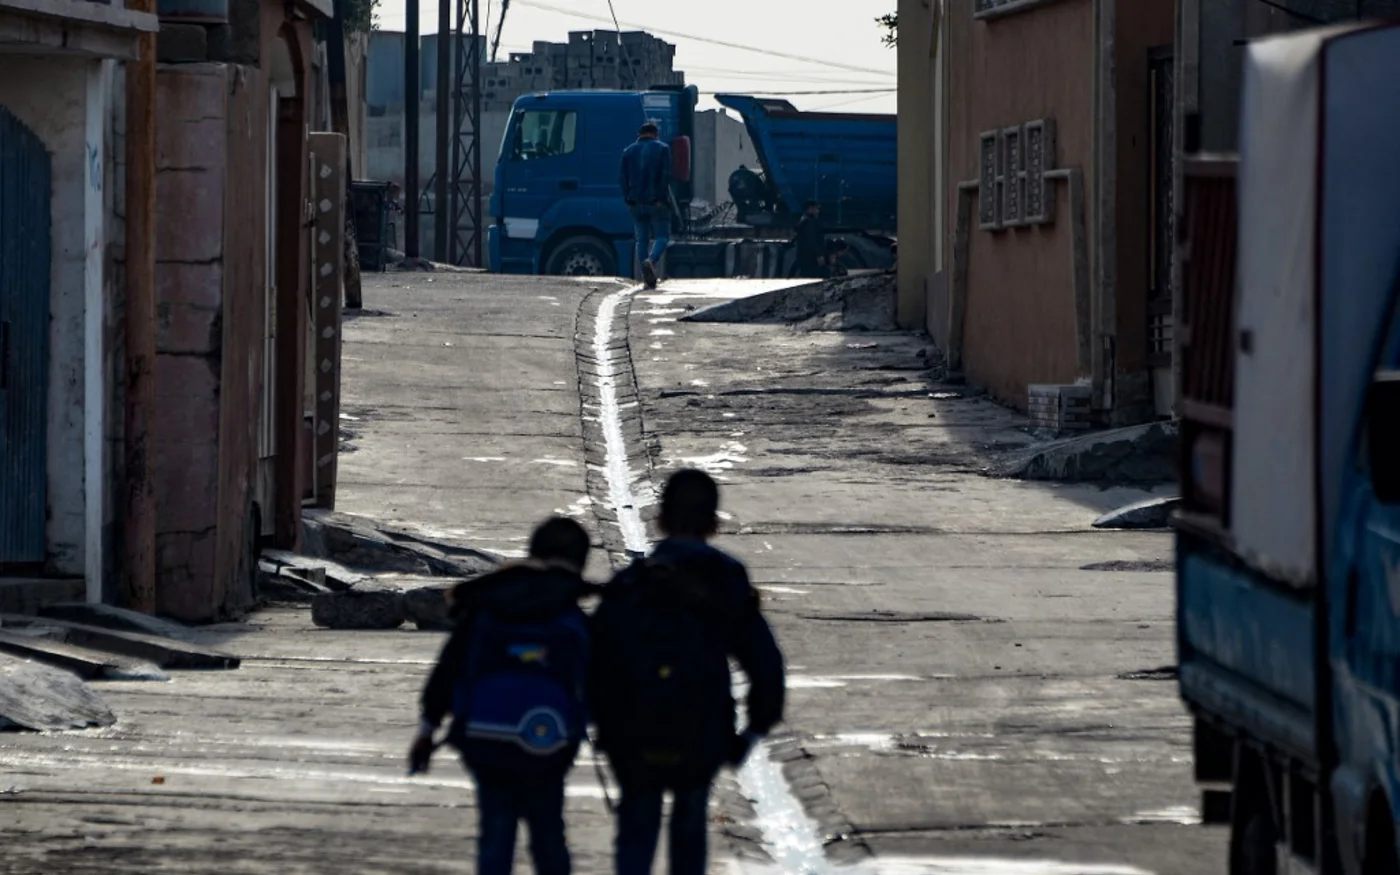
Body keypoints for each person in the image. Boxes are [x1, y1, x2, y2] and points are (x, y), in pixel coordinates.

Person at [591, 469, 786, 875]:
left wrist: (600, 725)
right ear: (714, 522)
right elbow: (764, 664)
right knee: (690, 827)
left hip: (635, 729)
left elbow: (594, 659)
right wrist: (751, 732)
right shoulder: (727, 577)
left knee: (636, 829)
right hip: (701, 729)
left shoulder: (632, 581)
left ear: (660, 519)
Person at [410, 517, 597, 875]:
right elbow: (596, 685)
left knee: (496, 835)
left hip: (485, 738)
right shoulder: (572, 614)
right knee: (548, 835)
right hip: (547, 742)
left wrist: (427, 728)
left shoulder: (489, 602)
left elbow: (449, 669)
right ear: (581, 561)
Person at [620, 121, 673, 289]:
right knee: (662, 237)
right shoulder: (663, 149)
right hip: (655, 201)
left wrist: (628, 199)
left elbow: (622, 179)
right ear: (655, 134)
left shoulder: (628, 152)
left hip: (635, 202)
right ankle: (651, 261)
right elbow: (665, 176)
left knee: (641, 239)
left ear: (639, 134)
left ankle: (646, 276)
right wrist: (661, 198)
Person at [793, 200, 826, 279]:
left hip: (806, 258)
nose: (817, 211)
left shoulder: (804, 221)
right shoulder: (808, 222)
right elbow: (812, 240)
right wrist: (819, 255)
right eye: (816, 209)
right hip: (810, 259)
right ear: (810, 209)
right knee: (810, 278)